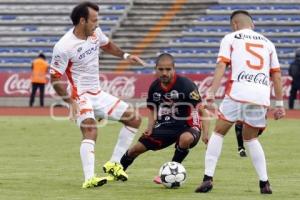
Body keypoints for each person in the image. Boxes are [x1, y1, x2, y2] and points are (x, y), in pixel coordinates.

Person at [50, 2, 146, 188]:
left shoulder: (95, 33)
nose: (97, 23)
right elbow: (54, 78)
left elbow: (107, 45)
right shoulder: (63, 46)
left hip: (97, 93)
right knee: (91, 130)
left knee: (134, 119)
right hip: (80, 95)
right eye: (94, 20)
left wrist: (126, 56)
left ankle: (113, 164)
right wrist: (70, 102)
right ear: (82, 20)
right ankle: (89, 178)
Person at [194, 10, 285, 194]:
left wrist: (211, 91)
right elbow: (276, 74)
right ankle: (264, 183)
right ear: (253, 25)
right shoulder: (268, 43)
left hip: (238, 92)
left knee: (219, 133)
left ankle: (207, 178)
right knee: (250, 138)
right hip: (260, 95)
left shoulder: (231, 37)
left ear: (235, 25)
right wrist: (280, 104)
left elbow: (221, 65)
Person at [119, 53, 209, 184]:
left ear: (174, 69)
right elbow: (152, 109)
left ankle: (171, 171)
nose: (164, 73)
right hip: (167, 123)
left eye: (168, 69)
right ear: (156, 69)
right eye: (161, 69)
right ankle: (118, 171)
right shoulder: (154, 87)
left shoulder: (186, 85)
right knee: (135, 149)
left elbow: (203, 112)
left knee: (185, 139)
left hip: (188, 124)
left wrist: (206, 135)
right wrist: (150, 127)